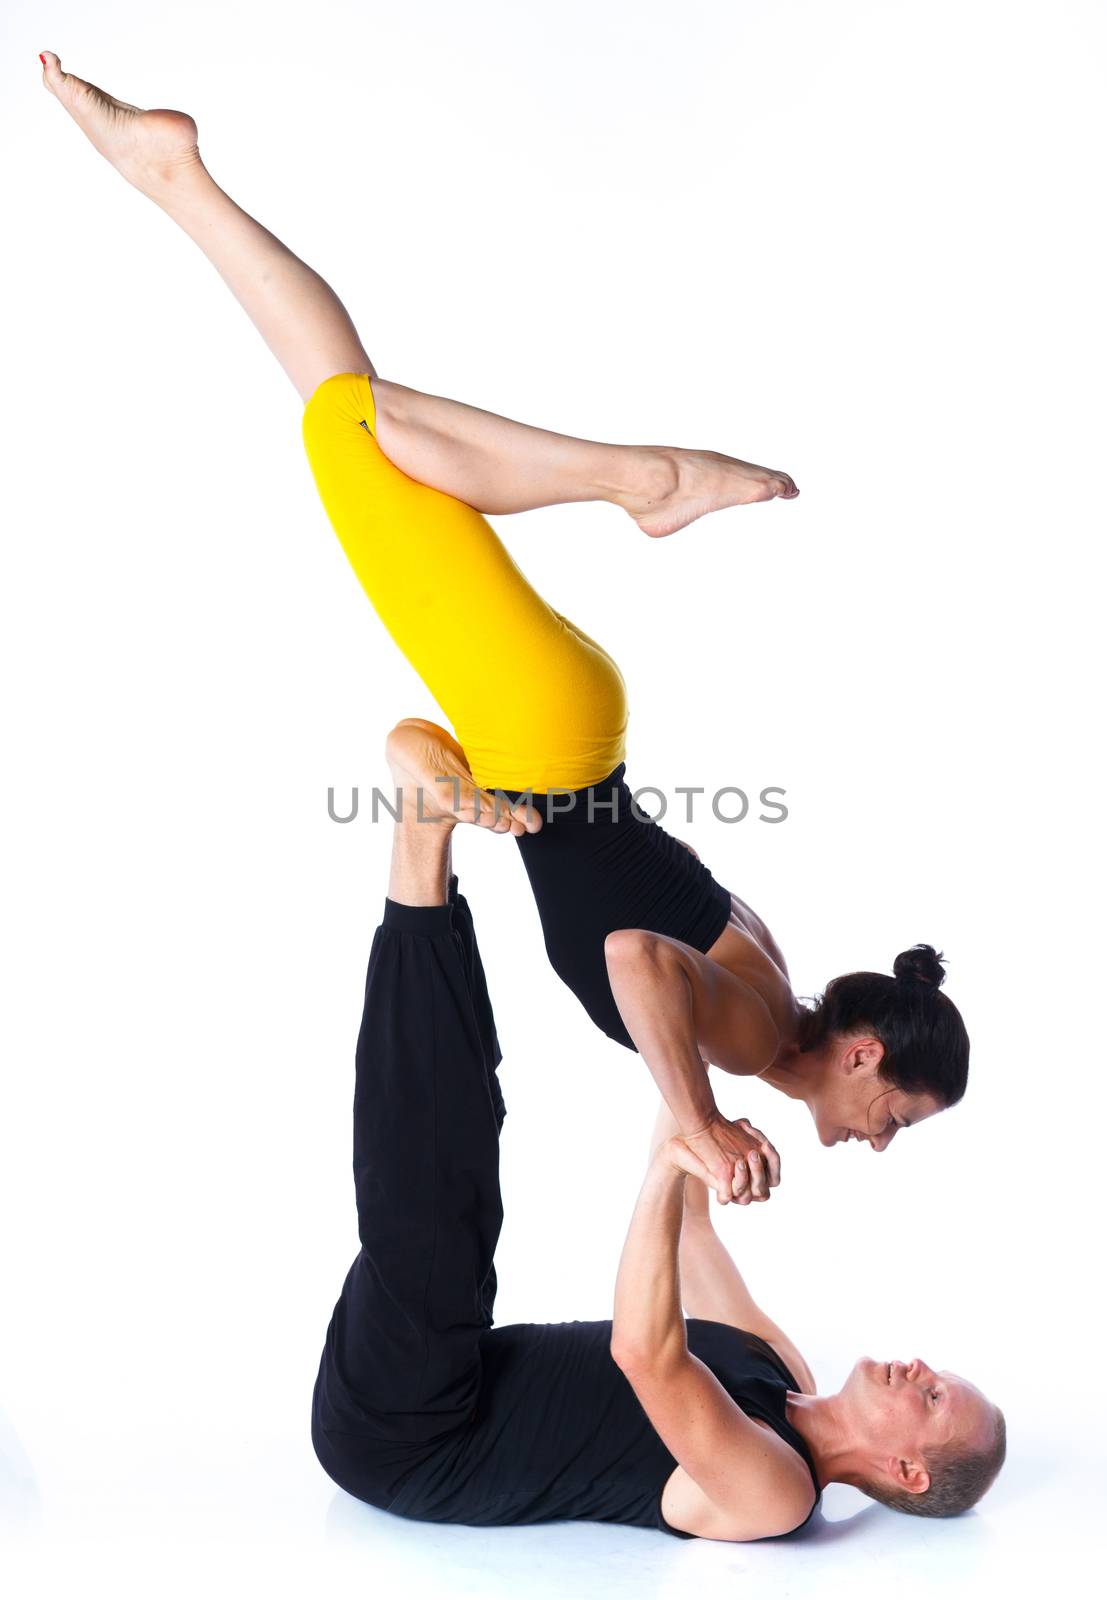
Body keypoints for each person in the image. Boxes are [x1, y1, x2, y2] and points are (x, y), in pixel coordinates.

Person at [39, 51, 971, 1206]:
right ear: (866, 1054)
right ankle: (645, 477)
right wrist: (697, 1121)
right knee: (357, 425)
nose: (873, 1136)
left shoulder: (772, 980)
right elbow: (632, 954)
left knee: (359, 421)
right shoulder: (748, 1033)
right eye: (892, 1118)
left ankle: (172, 175)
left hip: (564, 723)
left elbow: (644, 933)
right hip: (543, 732)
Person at [310, 743, 1004, 1538]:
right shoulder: (779, 1368)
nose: (921, 1370)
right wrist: (721, 1054)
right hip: (453, 1361)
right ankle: (432, 827)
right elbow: (690, 1232)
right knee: (466, 1138)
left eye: (933, 1397)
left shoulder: (775, 1492)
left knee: (441, 1194)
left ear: (907, 1472)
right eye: (937, 1378)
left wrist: (681, 1156)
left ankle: (419, 835)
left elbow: (646, 1354)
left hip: (408, 1437)